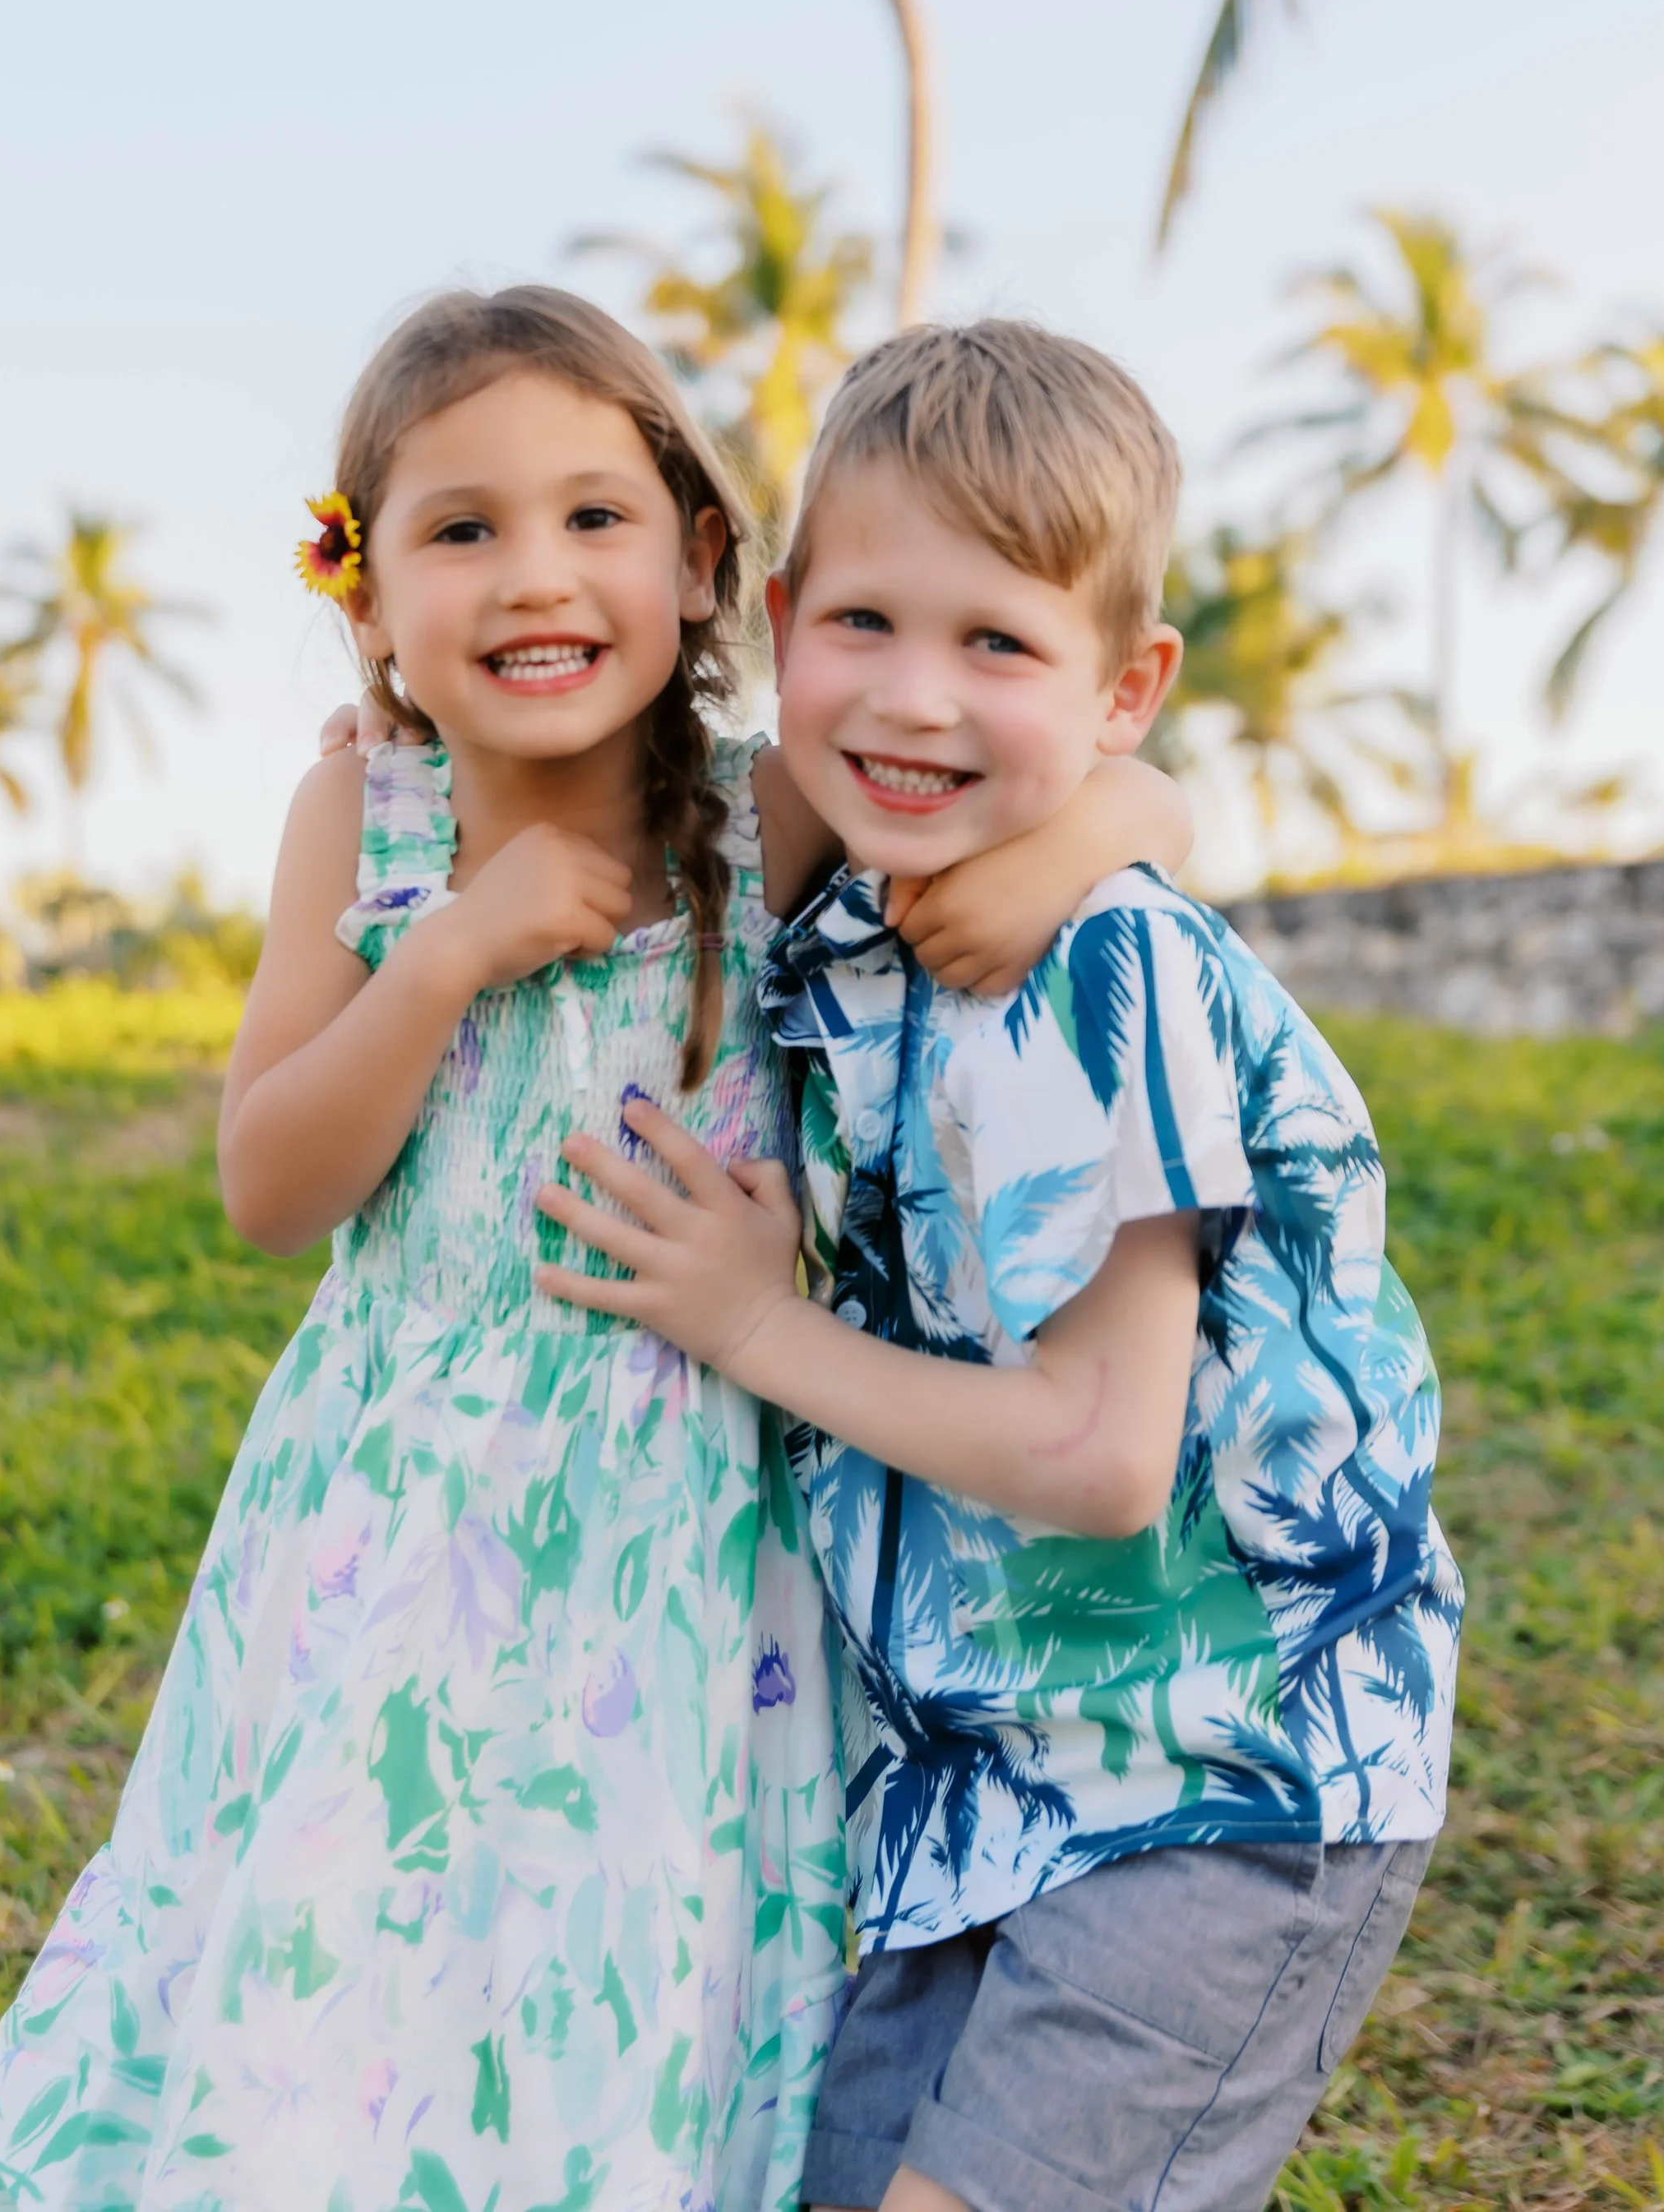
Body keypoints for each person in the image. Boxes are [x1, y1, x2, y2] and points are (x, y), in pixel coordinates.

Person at [0, 288, 1190, 2212]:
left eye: (594, 519)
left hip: (677, 1533)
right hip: (392, 1515)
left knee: (612, 1947)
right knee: (354, 1934)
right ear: (365, 600)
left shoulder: (774, 813)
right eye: (461, 530)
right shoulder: (363, 819)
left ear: (703, 564)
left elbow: (1138, 799)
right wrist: (441, 952)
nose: (535, 576)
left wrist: (1042, 864)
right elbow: (270, 1185)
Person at [537, 316, 1465, 2212]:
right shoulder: (855, 929)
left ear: (1122, 686)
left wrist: (750, 1323)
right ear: (783, 620)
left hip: (1223, 1774)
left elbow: (1104, 1452)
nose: (913, 699)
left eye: (996, 647)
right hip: (977, 1784)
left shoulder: (1101, 966)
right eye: (865, 625)